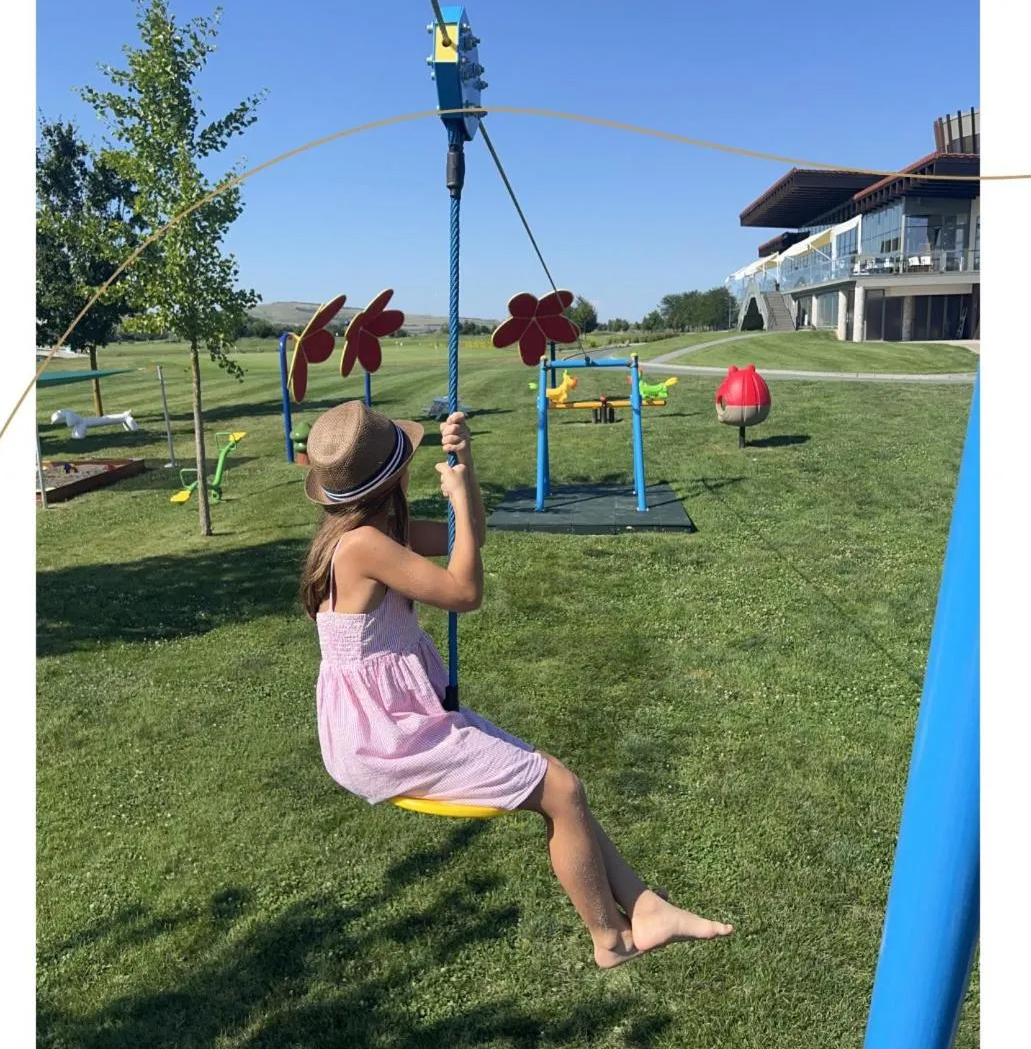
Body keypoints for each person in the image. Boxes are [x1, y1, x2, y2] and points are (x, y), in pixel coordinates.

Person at [301, 400, 733, 968]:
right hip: (385, 735)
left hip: (402, 716)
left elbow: (469, 534)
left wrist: (468, 470)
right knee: (562, 789)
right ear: (398, 474)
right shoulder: (364, 547)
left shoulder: (372, 533)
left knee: (560, 788)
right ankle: (611, 939)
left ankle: (647, 905)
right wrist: (453, 494)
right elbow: (464, 591)